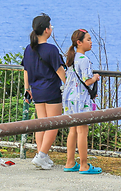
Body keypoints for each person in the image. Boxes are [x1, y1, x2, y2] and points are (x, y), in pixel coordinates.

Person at [21, 13, 67, 170]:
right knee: (53, 123)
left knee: (41, 123)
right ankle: (41, 155)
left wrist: (27, 89)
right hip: (51, 90)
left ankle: (41, 155)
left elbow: (26, 70)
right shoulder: (51, 49)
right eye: (51, 26)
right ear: (47, 30)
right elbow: (60, 70)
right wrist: (69, 84)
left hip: (37, 90)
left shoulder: (29, 49)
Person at [62, 29, 102, 175]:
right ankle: (84, 164)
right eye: (88, 39)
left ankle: (70, 162)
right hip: (80, 99)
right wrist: (96, 77)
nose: (91, 42)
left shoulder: (71, 59)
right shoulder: (84, 59)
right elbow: (87, 80)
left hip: (69, 97)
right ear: (79, 42)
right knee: (82, 131)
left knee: (72, 130)